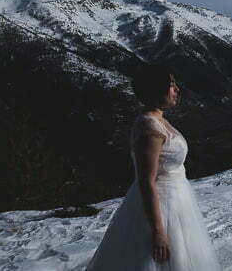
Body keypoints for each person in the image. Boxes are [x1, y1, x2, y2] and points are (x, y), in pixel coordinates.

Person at [86, 63, 221, 270]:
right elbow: (146, 181)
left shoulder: (159, 121)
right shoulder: (150, 127)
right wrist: (158, 231)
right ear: (157, 89)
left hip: (177, 203)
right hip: (161, 207)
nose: (177, 89)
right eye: (171, 85)